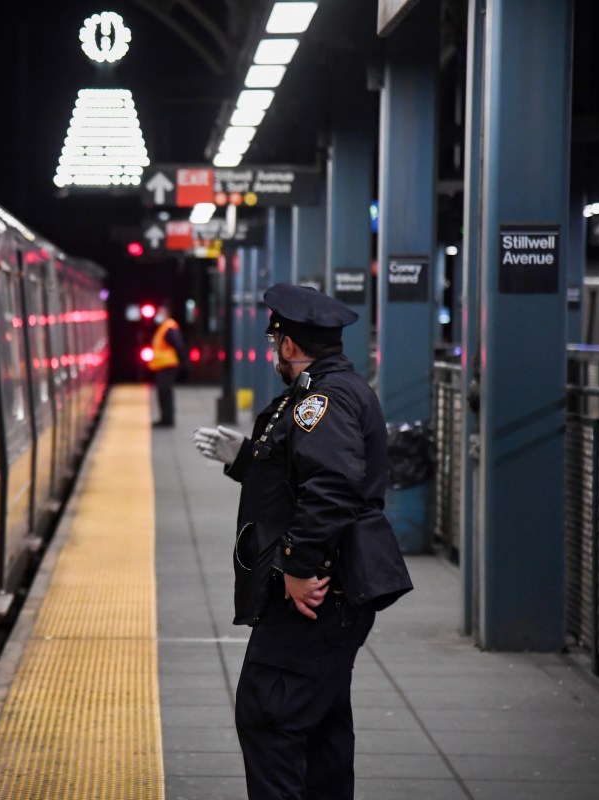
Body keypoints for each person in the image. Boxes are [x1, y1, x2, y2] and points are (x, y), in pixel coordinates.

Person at [192, 283, 410, 800]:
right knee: (321, 728)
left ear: (288, 345)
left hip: (316, 595)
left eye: (275, 343)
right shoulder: (329, 390)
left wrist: (296, 565)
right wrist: (246, 459)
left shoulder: (322, 399)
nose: (274, 352)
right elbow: (302, 474)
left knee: (270, 719)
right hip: (332, 593)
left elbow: (332, 487)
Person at [147, 302, 184, 428]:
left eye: (160, 312)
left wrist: (183, 362)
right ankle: (165, 418)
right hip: (164, 365)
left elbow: (178, 346)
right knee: (163, 392)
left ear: (166, 313)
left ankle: (167, 419)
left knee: (165, 392)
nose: (158, 315)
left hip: (167, 365)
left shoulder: (169, 328)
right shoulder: (164, 327)